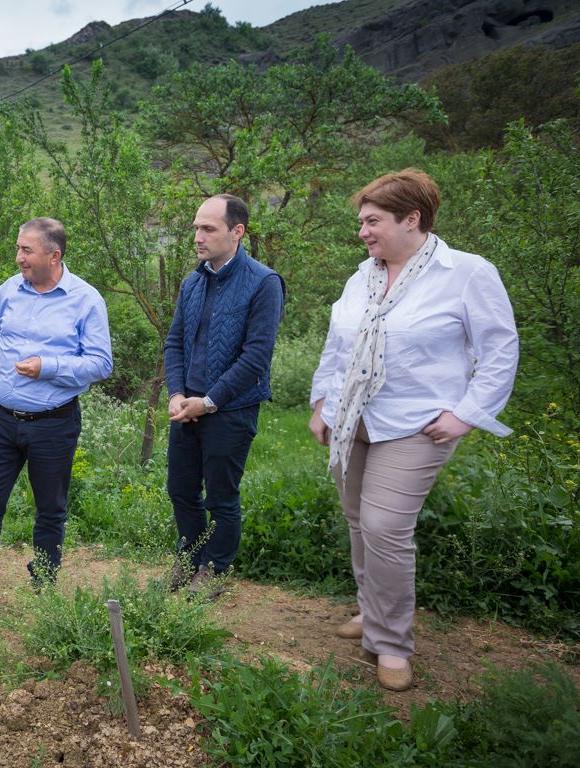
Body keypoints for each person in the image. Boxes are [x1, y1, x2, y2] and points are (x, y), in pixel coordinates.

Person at [309, 169, 518, 691]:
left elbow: (500, 348)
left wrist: (467, 413)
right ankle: (371, 610)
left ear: (412, 219)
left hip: (417, 424)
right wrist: (322, 403)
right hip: (352, 419)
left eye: (372, 221)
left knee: (384, 527)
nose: (362, 232)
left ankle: (390, 643)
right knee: (359, 522)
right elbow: (337, 346)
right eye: (362, 222)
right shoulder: (362, 277)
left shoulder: (466, 273)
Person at [0, 218, 112, 611]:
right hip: (0, 418)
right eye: (18, 248)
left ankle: (44, 587)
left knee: (50, 510)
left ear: (54, 255)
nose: (18, 257)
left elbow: (101, 363)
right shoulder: (8, 290)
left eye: (26, 250)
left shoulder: (86, 300)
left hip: (53, 423)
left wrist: (48, 367)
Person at [164, 194, 284, 598]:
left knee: (221, 497)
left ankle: (213, 570)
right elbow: (175, 343)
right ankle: (189, 560)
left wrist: (210, 400)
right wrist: (177, 393)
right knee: (181, 490)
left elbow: (256, 357)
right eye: (196, 228)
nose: (198, 237)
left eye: (208, 229)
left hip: (231, 410)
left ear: (237, 232)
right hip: (187, 407)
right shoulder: (193, 282)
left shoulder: (263, 282)